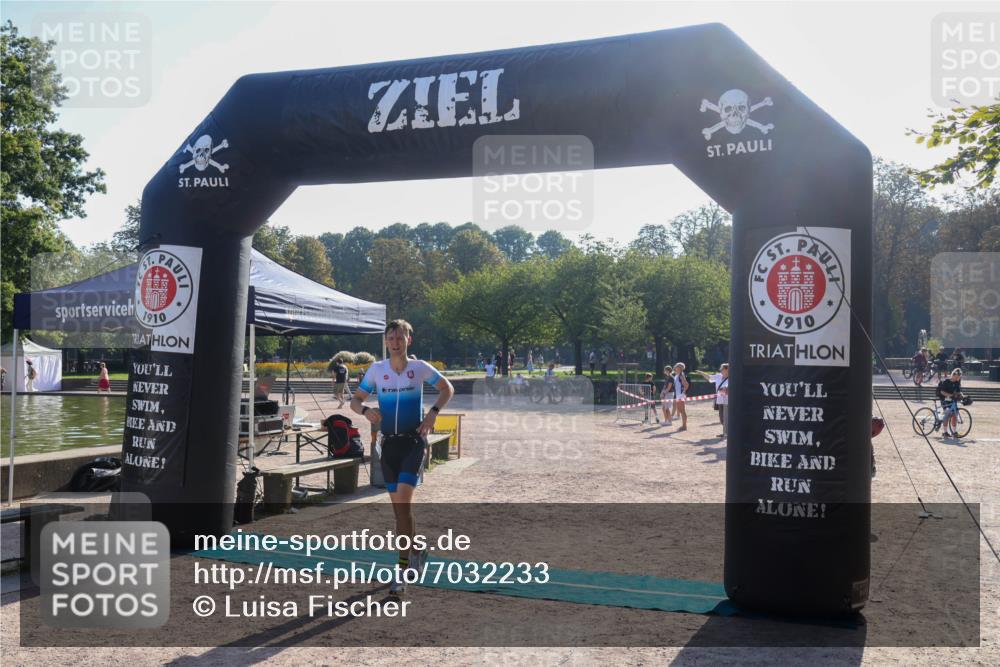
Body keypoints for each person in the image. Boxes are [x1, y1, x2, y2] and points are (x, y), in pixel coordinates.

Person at [351, 320, 454, 596]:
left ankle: (401, 571)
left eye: (400, 338)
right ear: (386, 342)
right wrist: (365, 411)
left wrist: (433, 413)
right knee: (400, 513)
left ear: (409, 339)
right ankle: (417, 549)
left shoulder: (418, 368)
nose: (395, 343)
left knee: (404, 506)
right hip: (389, 448)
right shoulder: (377, 370)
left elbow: (447, 388)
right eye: (391, 338)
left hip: (412, 443)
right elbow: (355, 400)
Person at [694, 364, 729, 437]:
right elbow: (709, 377)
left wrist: (725, 389)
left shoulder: (732, 378)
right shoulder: (718, 376)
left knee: (727, 417)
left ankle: (727, 433)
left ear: (726, 370)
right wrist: (701, 373)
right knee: (721, 418)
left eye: (722, 369)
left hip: (728, 401)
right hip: (719, 400)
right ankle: (725, 432)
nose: (720, 370)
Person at [936, 368, 964, 438]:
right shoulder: (946, 381)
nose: (958, 378)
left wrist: (962, 396)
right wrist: (951, 395)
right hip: (945, 400)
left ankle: (954, 432)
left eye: (959, 376)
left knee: (954, 415)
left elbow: (958, 392)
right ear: (954, 375)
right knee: (947, 414)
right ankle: (945, 432)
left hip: (953, 401)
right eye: (958, 376)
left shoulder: (957, 383)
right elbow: (942, 392)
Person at [671, 363, 690, 431]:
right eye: (675, 366)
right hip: (678, 395)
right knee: (681, 410)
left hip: (680, 395)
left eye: (677, 367)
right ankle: (684, 425)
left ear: (680, 368)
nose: (675, 368)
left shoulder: (681, 375)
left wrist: (683, 392)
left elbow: (686, 385)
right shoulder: (677, 375)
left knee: (682, 410)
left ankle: (684, 426)